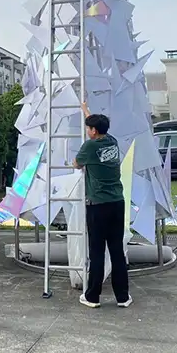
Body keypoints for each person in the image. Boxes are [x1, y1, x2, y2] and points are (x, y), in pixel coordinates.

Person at [73, 103, 132, 309]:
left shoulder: (90, 147)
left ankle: (93, 297)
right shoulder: (112, 142)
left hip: (97, 205)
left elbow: (76, 164)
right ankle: (123, 297)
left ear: (93, 131)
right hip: (117, 203)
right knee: (116, 251)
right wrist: (86, 111)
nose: (87, 130)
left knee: (97, 252)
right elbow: (99, 128)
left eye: (88, 128)